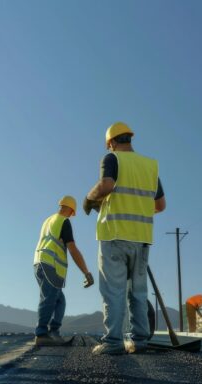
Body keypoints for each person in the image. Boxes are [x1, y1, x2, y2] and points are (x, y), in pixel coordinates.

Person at [83, 122, 166, 355]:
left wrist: (89, 199)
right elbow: (160, 205)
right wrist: (137, 209)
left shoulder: (112, 159)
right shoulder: (150, 166)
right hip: (141, 239)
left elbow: (106, 185)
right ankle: (139, 341)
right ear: (130, 138)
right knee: (138, 292)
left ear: (111, 142)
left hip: (114, 235)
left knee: (113, 291)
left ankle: (113, 342)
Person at [33, 196, 94, 346]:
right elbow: (72, 249)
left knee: (59, 300)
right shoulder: (63, 221)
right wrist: (86, 272)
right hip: (51, 264)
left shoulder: (48, 220)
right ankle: (41, 334)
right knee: (49, 298)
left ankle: (54, 332)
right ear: (71, 210)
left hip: (39, 262)